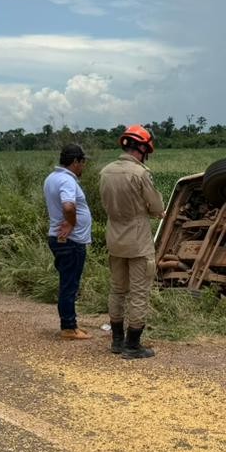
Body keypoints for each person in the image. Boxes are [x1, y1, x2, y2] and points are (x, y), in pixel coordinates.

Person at [99, 124, 164, 358]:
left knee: (117, 290)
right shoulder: (140, 174)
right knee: (138, 293)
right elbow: (157, 207)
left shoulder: (105, 171)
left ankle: (116, 341)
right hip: (138, 241)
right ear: (142, 148)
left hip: (114, 238)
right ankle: (132, 345)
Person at [43, 143, 93, 340]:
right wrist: (71, 224)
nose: (83, 166)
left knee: (67, 282)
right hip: (70, 240)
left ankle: (70, 324)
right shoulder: (67, 181)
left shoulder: (52, 178)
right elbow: (69, 206)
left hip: (60, 239)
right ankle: (69, 327)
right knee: (69, 284)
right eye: (82, 162)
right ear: (75, 162)